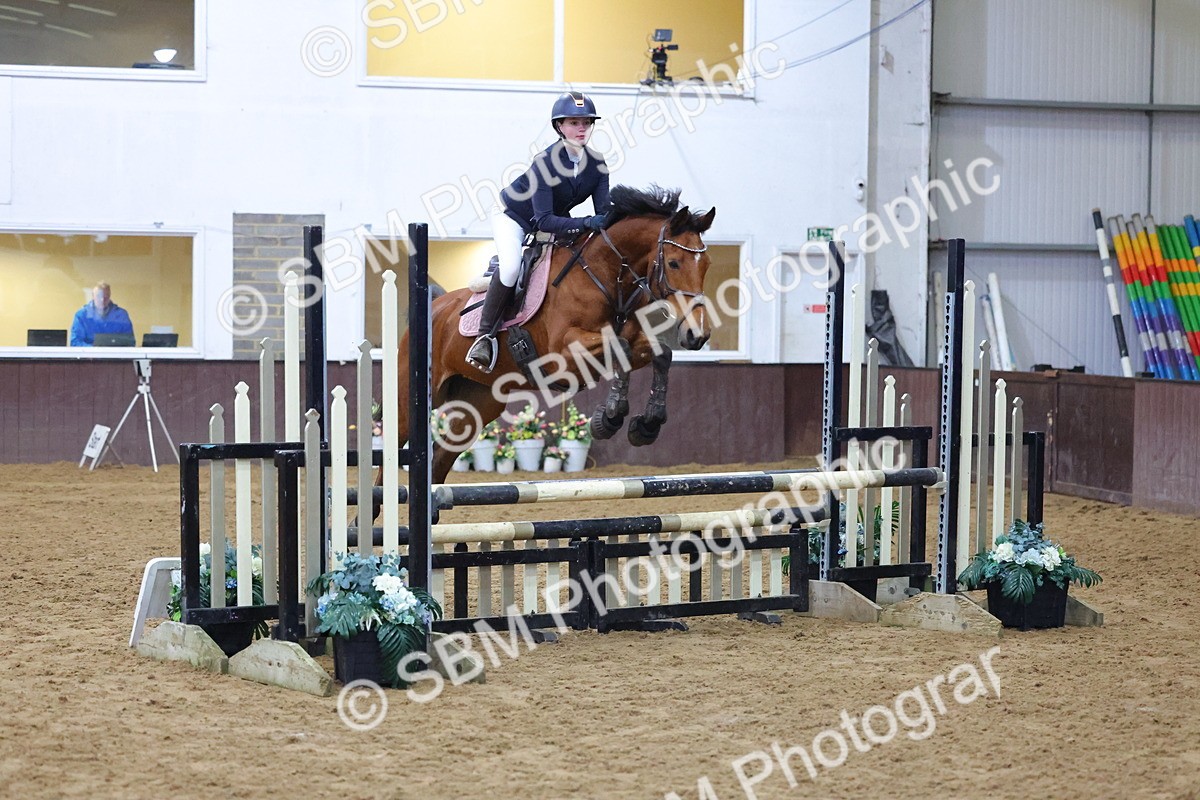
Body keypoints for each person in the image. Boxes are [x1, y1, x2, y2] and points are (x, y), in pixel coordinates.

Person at [465, 91, 611, 373]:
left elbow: (603, 212)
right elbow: (543, 221)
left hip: (557, 217)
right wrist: (585, 223)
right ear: (559, 127)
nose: (581, 129)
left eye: (586, 123)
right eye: (573, 122)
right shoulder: (545, 162)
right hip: (515, 216)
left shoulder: (597, 165)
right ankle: (485, 336)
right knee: (510, 268)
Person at [70, 281, 134, 346]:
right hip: (89, 355)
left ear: (109, 296)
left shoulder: (121, 315)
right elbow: (75, 342)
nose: (102, 300)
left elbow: (130, 342)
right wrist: (94, 351)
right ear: (93, 296)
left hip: (115, 355)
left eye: (105, 296)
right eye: (98, 296)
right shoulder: (81, 315)